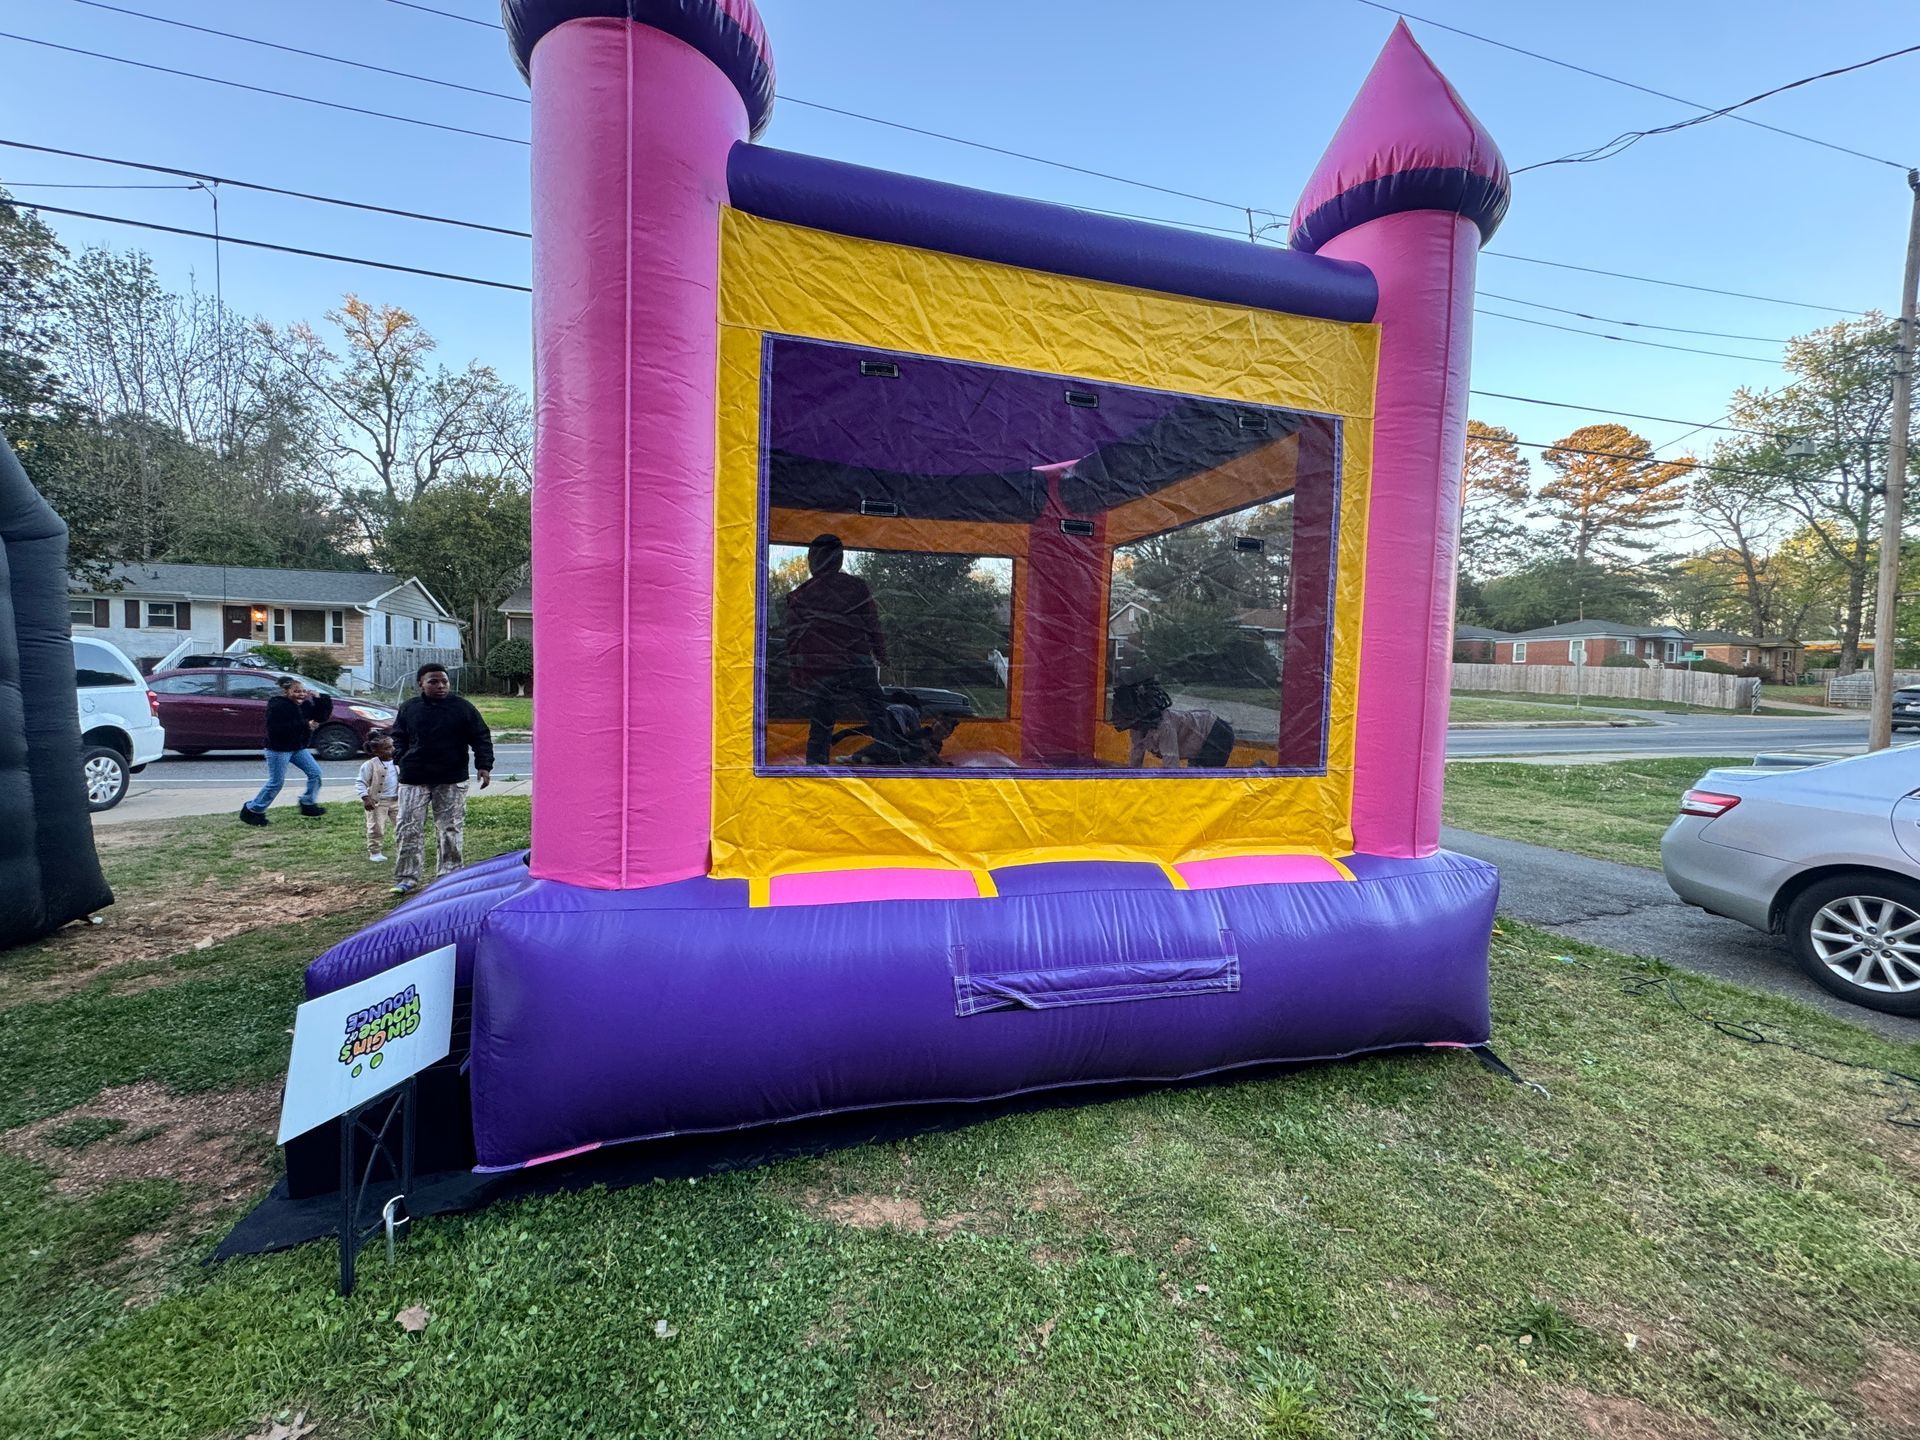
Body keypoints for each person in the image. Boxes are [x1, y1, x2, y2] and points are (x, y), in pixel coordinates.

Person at [784, 534, 890, 765]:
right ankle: (889, 757)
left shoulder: (801, 595)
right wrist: (881, 655)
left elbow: (794, 639)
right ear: (839, 560)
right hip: (857, 663)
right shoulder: (856, 587)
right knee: (878, 713)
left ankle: (816, 764)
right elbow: (872, 623)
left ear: (812, 560)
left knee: (822, 720)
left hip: (824, 668)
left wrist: (797, 675)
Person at [389, 663, 494, 895]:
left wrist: (484, 765)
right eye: (433, 682)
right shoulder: (409, 708)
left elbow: (481, 737)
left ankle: (449, 876)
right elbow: (398, 735)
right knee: (408, 827)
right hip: (414, 777)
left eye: (444, 681)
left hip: (451, 777)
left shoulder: (463, 708)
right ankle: (407, 877)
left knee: (449, 828)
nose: (440, 686)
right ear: (421, 684)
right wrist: (401, 757)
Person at [238, 676, 331, 826]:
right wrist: (305, 725)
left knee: (315, 773)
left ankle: (308, 804)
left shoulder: (304, 705)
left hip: (297, 748)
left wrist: (321, 699)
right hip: (278, 749)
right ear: (286, 691)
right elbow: (278, 729)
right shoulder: (277, 706)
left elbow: (321, 716)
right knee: (276, 783)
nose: (301, 694)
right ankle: (252, 811)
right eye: (296, 691)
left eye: (303, 691)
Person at [1111, 679, 1236, 769]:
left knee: (1202, 780)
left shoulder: (1165, 727)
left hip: (1216, 733)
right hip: (1203, 731)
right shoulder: (1137, 728)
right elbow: (1136, 755)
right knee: (1197, 776)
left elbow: (1172, 768)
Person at [355, 731, 401, 863]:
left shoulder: (398, 761)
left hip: (396, 801)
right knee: (376, 827)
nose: (392, 750)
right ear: (376, 751)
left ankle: (402, 849)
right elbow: (360, 782)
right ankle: (375, 852)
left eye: (392, 746)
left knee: (401, 826)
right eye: (387, 748)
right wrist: (365, 798)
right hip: (377, 803)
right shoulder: (369, 765)